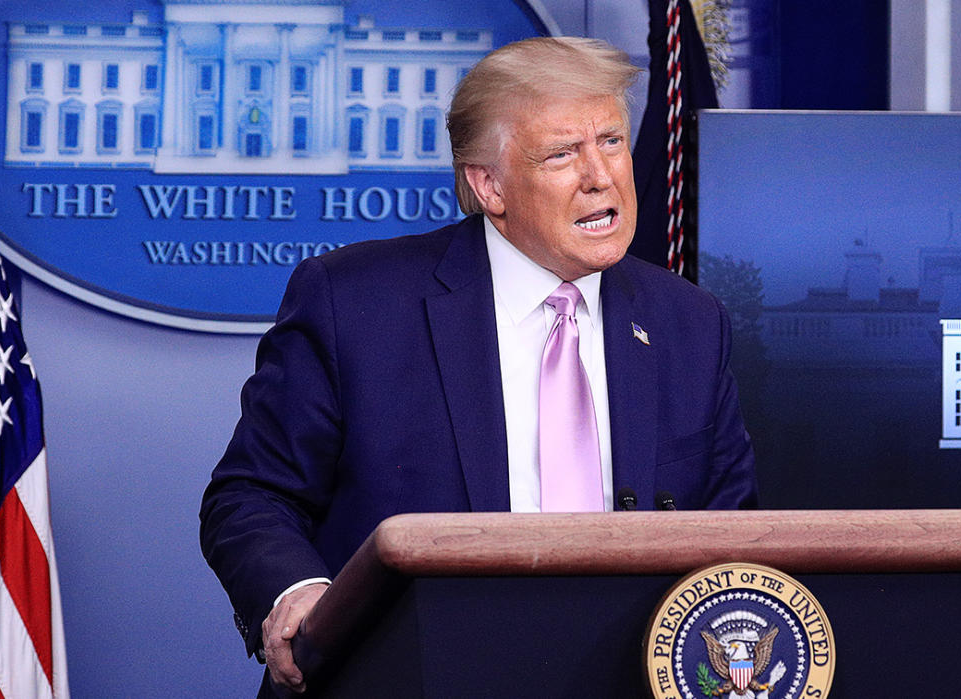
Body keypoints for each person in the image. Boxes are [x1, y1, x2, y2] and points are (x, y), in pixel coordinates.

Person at [199, 36, 757, 696]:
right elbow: (252, 496)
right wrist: (300, 594)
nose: (601, 175)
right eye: (561, 154)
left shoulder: (688, 322)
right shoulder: (355, 302)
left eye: (610, 140)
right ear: (488, 183)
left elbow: (734, 530)